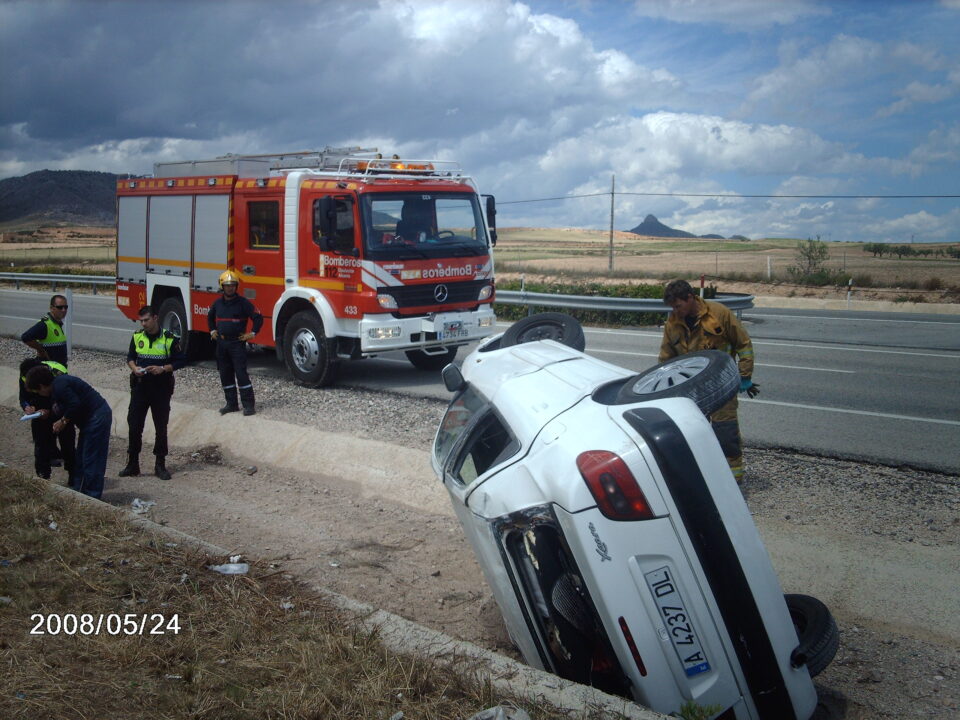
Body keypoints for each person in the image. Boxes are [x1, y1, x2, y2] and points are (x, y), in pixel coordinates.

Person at [659, 279, 759, 483]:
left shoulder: (718, 313)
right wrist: (663, 389)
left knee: (726, 434)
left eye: (678, 306)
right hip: (692, 391)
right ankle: (706, 479)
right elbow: (666, 358)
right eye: (672, 307)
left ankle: (733, 482)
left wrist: (745, 376)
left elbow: (744, 344)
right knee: (695, 434)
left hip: (722, 385)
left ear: (690, 298)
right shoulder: (673, 323)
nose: (675, 311)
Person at [118, 305, 186, 481]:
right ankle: (132, 464)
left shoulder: (169, 338)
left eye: (146, 320)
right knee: (134, 426)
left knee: (160, 427)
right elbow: (130, 357)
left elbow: (180, 361)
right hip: (140, 387)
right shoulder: (137, 336)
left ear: (155, 318)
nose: (143, 324)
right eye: (141, 321)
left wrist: (163, 368)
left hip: (161, 389)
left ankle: (160, 465)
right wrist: (135, 369)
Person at [25, 365, 112, 500]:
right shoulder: (55, 390)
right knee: (81, 458)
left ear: (42, 386)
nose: (38, 393)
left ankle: (92, 497)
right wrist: (44, 413)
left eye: (37, 390)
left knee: (92, 459)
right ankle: (79, 491)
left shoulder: (60, 385)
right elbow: (60, 408)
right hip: (89, 421)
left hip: (97, 417)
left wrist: (63, 421)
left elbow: (75, 404)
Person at [208, 269, 263, 416]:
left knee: (241, 374)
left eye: (233, 285)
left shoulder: (243, 303)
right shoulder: (217, 303)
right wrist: (212, 330)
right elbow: (210, 316)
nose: (230, 287)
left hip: (236, 344)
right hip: (222, 344)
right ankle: (231, 404)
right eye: (227, 285)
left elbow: (258, 317)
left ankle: (248, 406)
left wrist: (252, 334)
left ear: (236, 286)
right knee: (225, 374)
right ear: (222, 286)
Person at [18, 357, 77, 484]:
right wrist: (27, 407)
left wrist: (52, 412)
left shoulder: (58, 372)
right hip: (39, 415)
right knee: (41, 447)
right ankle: (43, 478)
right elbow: (23, 397)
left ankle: (73, 477)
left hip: (61, 413)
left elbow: (66, 400)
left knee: (68, 446)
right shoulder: (24, 374)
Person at [21, 294, 70, 365]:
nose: (63, 310)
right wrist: (41, 350)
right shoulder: (45, 324)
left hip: (58, 368)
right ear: (51, 308)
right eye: (60, 307)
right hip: (49, 369)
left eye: (66, 307)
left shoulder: (57, 323)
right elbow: (25, 337)